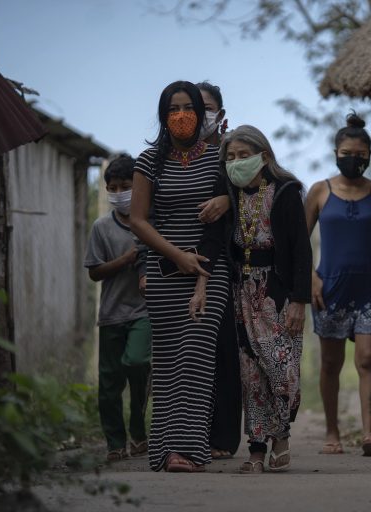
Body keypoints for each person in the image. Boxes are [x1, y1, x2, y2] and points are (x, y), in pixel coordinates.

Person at [130, 80, 230, 473]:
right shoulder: (148, 162)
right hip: (166, 271)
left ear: (202, 113)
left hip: (211, 270)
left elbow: (237, 205)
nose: (182, 115)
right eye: (173, 109)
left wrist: (226, 198)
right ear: (163, 115)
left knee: (197, 356)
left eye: (188, 107)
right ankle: (167, 450)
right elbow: (138, 221)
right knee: (169, 361)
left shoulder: (219, 158)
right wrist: (177, 256)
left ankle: (186, 449)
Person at [304, 112, 371, 457]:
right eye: (347, 153)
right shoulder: (319, 191)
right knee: (331, 364)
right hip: (330, 291)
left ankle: (370, 433)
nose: (353, 159)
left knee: (368, 359)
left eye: (360, 155)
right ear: (335, 152)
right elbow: (300, 242)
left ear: (369, 156)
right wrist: (310, 276)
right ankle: (332, 432)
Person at [219, 125, 312, 474]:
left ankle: (282, 435)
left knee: (281, 370)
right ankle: (256, 451)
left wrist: (300, 300)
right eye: (230, 157)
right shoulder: (231, 196)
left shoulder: (286, 193)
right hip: (241, 292)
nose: (237, 162)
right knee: (250, 374)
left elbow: (301, 251)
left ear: (264, 157)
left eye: (244, 155)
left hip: (277, 292)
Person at [84, 154, 152, 462]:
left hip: (143, 312)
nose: (118, 192)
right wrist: (124, 260)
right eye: (112, 187)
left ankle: (139, 432)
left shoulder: (150, 221)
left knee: (137, 363)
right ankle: (115, 442)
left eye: (125, 186)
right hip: (111, 313)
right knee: (109, 383)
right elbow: (95, 272)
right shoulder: (101, 228)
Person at [195, 81, 242, 460]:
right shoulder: (165, 156)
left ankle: (223, 437)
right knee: (186, 353)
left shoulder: (235, 153)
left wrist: (229, 199)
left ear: (220, 115)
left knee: (225, 349)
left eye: (206, 107)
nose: (196, 113)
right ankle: (185, 432)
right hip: (177, 262)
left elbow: (262, 191)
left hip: (225, 265)